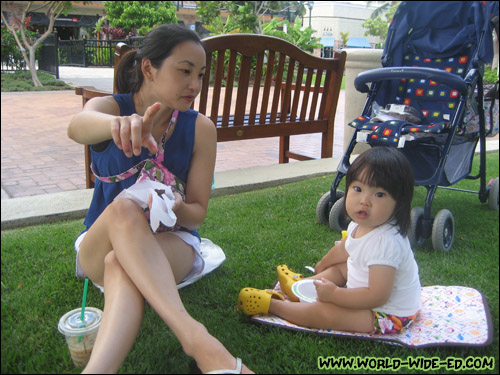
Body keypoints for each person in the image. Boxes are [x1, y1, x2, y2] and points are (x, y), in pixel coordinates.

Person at [68, 24, 252, 374]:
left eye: (200, 75)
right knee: (123, 211)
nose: (195, 85)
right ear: (149, 68)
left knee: (120, 264)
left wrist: (172, 205)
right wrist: (116, 125)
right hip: (101, 242)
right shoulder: (110, 108)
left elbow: (197, 213)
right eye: (184, 71)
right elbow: (77, 126)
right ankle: (198, 341)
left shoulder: (200, 128)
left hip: (171, 243)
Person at [238, 147, 421, 335]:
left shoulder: (386, 242)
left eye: (379, 194)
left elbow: (377, 296)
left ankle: (272, 306)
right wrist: (323, 264)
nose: (364, 200)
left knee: (326, 312)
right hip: (366, 292)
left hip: (388, 314)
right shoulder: (360, 224)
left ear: (399, 202)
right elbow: (345, 249)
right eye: (358, 189)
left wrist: (335, 295)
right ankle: (298, 288)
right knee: (340, 268)